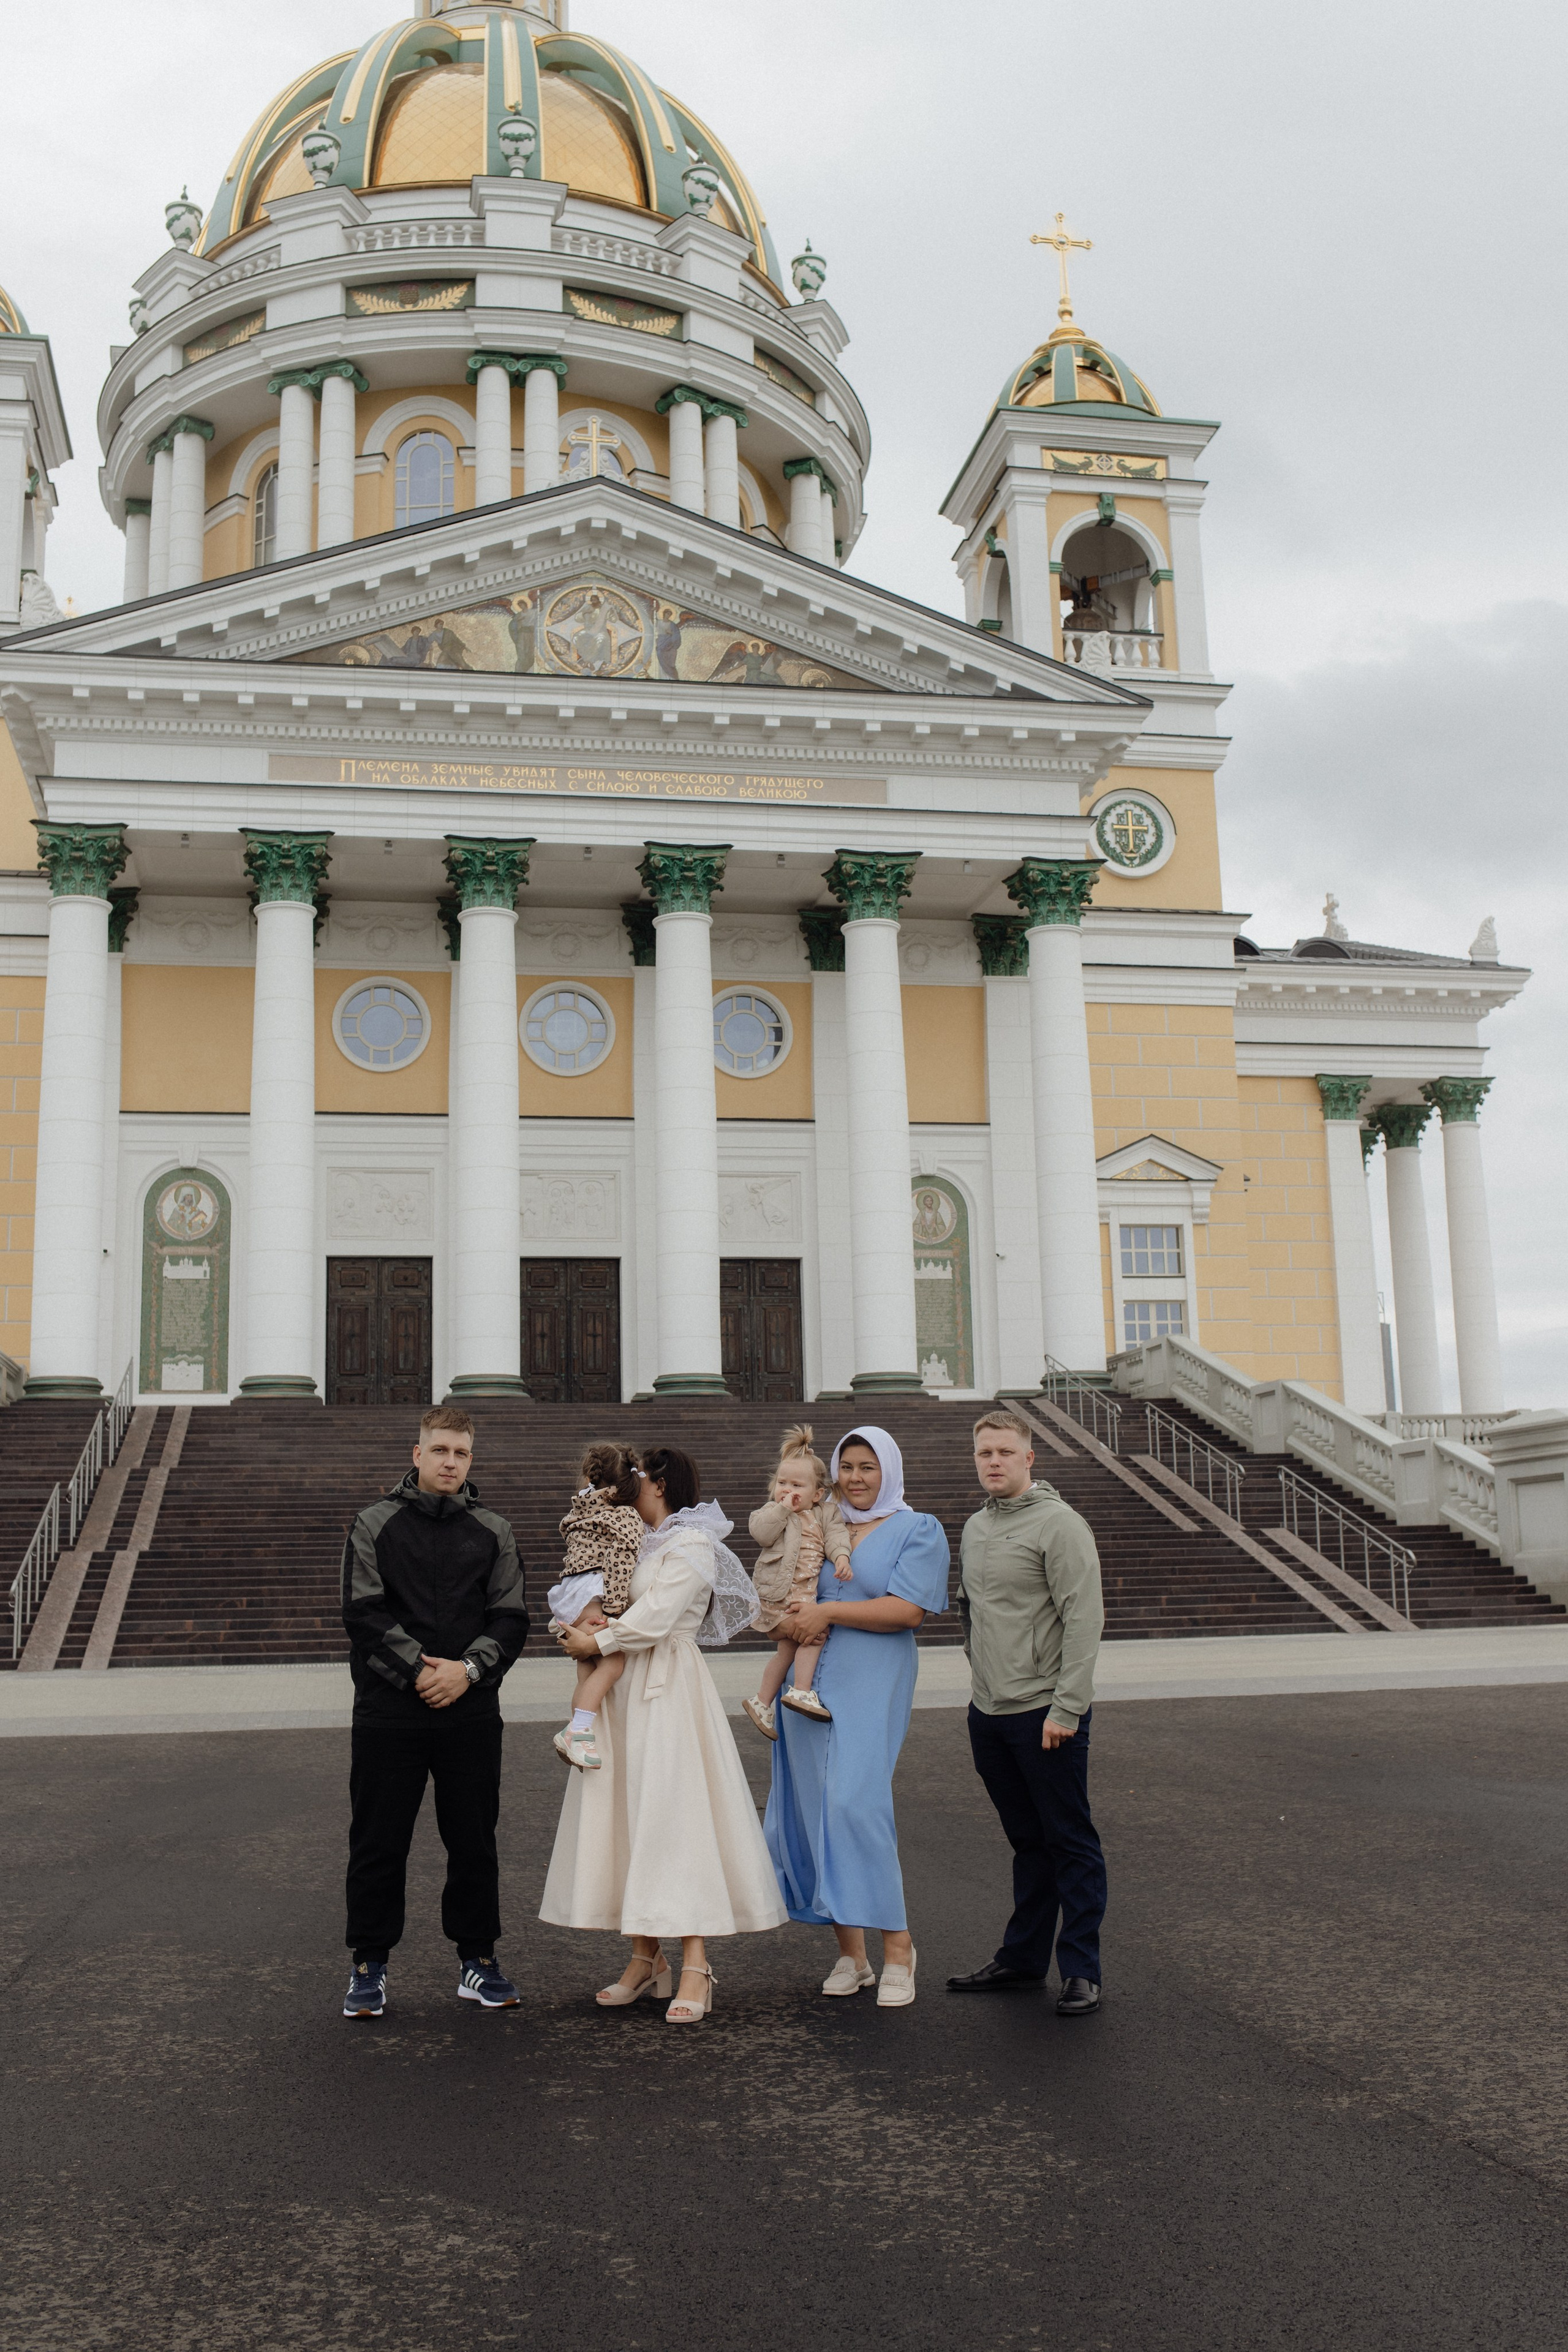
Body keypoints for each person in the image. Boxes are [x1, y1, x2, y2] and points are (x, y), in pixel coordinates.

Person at [540, 1446, 785, 2024]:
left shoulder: (692, 1543)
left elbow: (658, 1615)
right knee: (629, 1816)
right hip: (625, 1690)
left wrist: (596, 1643)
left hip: (668, 1688)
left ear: (662, 1483)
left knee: (676, 1820)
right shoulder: (634, 1538)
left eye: (639, 1475)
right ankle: (645, 1958)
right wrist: (577, 1619)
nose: (629, 1483)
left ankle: (697, 1964)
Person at [339, 1404, 530, 2021]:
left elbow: (511, 1617)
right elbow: (363, 1613)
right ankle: (368, 1964)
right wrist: (425, 1671)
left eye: (462, 1453)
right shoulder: (374, 1524)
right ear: (417, 1454)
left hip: (468, 1714)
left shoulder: (493, 1530)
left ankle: (478, 1961)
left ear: (472, 1460)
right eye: (440, 1450)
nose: (451, 1462)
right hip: (388, 1712)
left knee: (473, 1841)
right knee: (377, 1842)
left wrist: (466, 1672)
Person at [763, 1426, 950, 2008]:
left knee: (856, 1804)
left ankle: (899, 1948)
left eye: (868, 1466)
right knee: (817, 1807)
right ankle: (853, 1954)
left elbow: (908, 1609)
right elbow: (785, 1584)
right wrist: (787, 1618)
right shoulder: (817, 1519)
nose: (856, 1477)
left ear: (888, 1470)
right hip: (807, 1688)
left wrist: (828, 1611)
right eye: (847, 1466)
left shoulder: (916, 1529)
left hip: (871, 1677)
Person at [948, 1409, 1107, 2017]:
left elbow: (1083, 1621)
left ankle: (1081, 1970)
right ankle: (1021, 1961)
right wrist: (983, 1675)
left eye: (1004, 1452)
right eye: (984, 1452)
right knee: (1026, 1841)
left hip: (1047, 1712)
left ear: (1028, 1457)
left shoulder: (1060, 1526)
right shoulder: (976, 1528)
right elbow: (970, 1610)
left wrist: (1067, 1706)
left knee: (1069, 1841)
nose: (993, 1461)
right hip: (989, 1711)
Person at [742, 1423, 853, 1738]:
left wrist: (842, 1557)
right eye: (782, 1483)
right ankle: (801, 1690)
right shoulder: (772, 1512)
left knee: (787, 1652)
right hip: (778, 1595)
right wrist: (780, 1509)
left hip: (804, 1596)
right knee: (815, 1634)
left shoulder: (825, 1514)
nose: (788, 1491)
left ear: (818, 1494)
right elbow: (761, 1533)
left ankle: (762, 1701)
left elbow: (836, 1537)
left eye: (798, 1486)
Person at [547, 1441, 645, 1771]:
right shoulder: (626, 1515)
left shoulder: (580, 1509)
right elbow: (621, 1562)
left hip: (568, 1595)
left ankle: (577, 1732)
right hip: (594, 1593)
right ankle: (579, 1731)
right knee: (613, 1663)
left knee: (588, 1665)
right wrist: (615, 1610)